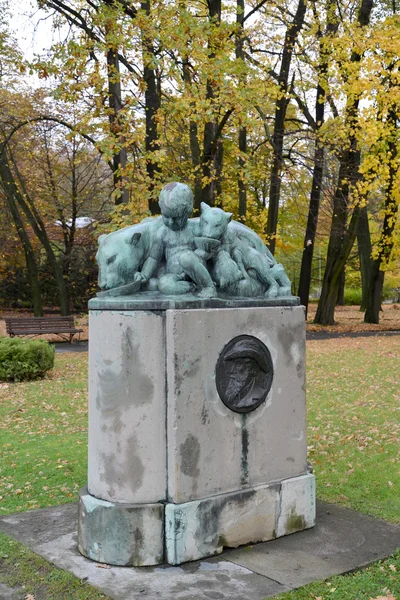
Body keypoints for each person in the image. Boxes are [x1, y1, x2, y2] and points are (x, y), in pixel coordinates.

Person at [134, 182, 217, 297]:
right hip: (175, 276)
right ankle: (191, 288)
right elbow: (153, 258)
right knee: (163, 284)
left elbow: (208, 251)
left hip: (195, 273)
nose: (171, 222)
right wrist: (144, 274)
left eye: (176, 218)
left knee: (186, 258)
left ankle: (208, 287)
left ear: (189, 212)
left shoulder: (196, 229)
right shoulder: (162, 234)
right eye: (166, 216)